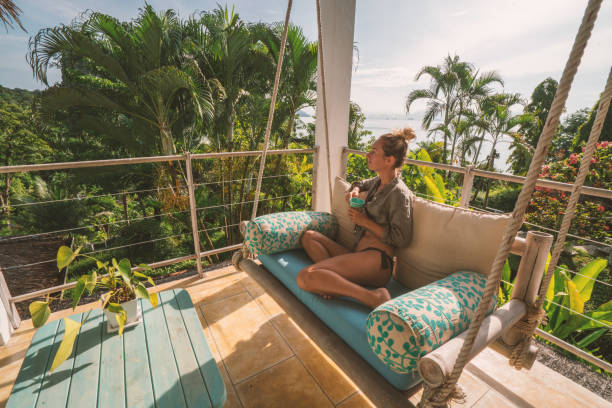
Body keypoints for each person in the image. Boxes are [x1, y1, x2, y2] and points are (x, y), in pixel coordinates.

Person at [296, 128, 416, 308]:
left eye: (374, 152)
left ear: (389, 160)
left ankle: (374, 297)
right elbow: (360, 183)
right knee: (309, 237)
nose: (367, 155)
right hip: (357, 254)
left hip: (377, 261)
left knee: (305, 277)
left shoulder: (399, 194)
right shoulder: (377, 182)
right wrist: (355, 190)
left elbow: (402, 238)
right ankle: (334, 283)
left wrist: (364, 221)